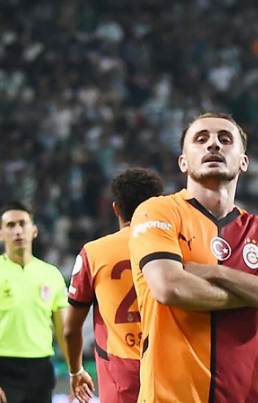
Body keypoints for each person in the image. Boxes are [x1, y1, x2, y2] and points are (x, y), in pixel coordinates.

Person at [129, 112, 258, 403]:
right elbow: (170, 288)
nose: (213, 144)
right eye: (201, 139)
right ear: (183, 162)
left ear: (243, 161)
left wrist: (217, 273)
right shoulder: (158, 211)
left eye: (225, 139)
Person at [64, 168, 164, 403]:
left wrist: (76, 371)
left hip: (120, 375)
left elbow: (71, 329)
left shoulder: (93, 253)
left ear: (116, 208)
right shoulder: (177, 248)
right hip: (168, 369)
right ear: (158, 206)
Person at [0, 201, 70, 403]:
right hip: (3, 367)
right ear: (1, 234)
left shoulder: (51, 274)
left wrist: (75, 371)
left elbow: (64, 330)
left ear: (34, 230)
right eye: (11, 225)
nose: (18, 231)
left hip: (40, 369)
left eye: (23, 224)